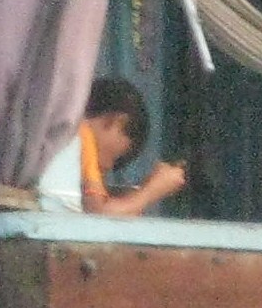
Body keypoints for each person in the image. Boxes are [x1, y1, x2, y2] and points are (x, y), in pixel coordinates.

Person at [76, 77, 187, 218]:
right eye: (115, 158)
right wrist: (152, 190)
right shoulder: (83, 133)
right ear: (116, 121)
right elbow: (100, 215)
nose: (108, 166)